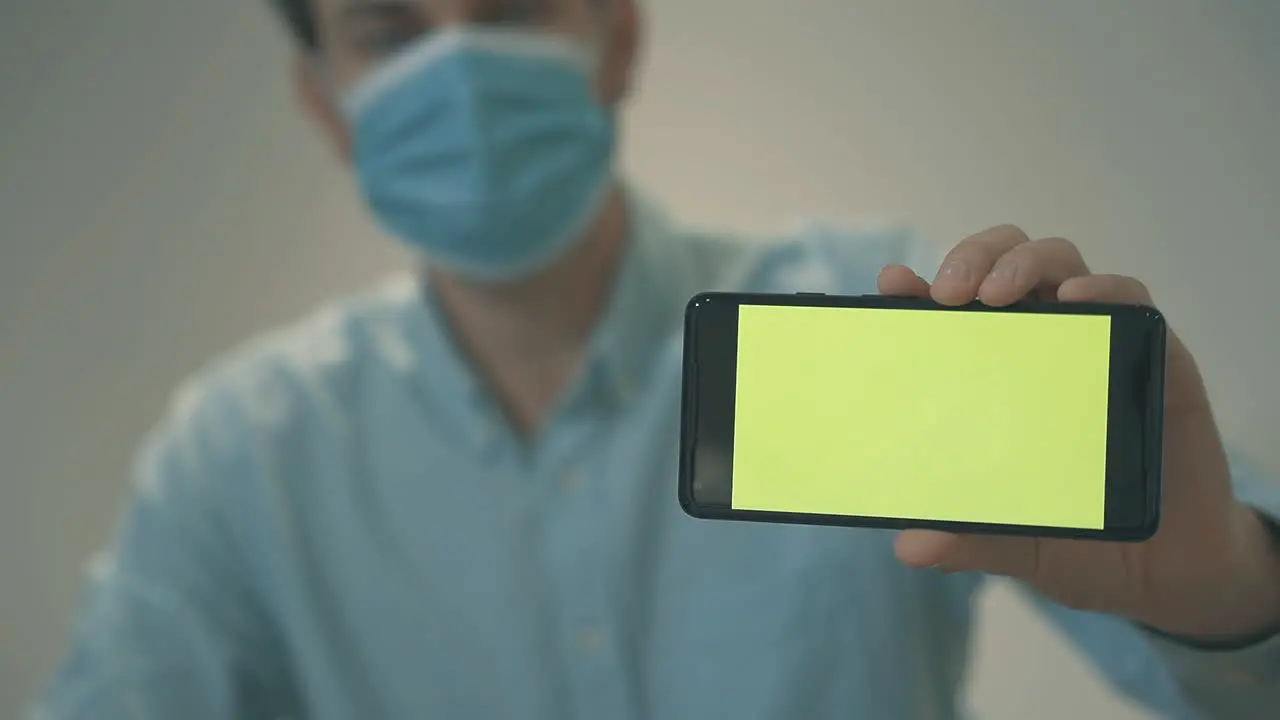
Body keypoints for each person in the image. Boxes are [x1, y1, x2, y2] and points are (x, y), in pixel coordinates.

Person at [34, 1, 1280, 718]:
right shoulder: (239, 457)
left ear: (618, 38)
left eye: (513, 5)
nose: (458, 67)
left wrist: (1229, 585)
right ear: (323, 102)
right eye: (389, 28)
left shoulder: (878, 323)